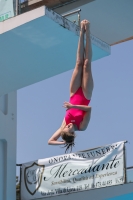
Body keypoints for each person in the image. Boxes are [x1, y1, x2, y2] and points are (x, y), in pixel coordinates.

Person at [48, 20, 94, 152]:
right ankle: (88, 32)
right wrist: (72, 106)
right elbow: (89, 109)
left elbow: (50, 141)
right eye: (68, 127)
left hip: (73, 94)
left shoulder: (63, 127)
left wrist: (63, 142)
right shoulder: (82, 127)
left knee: (78, 63)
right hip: (86, 95)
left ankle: (81, 32)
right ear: (73, 133)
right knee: (86, 64)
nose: (67, 125)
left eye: (65, 127)